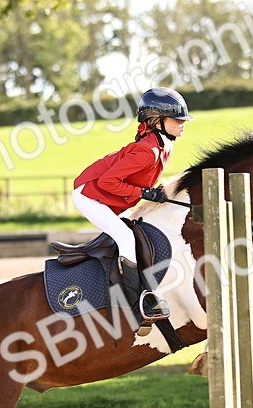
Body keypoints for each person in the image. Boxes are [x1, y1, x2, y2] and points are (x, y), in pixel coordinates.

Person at [71, 86, 193, 332]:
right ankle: (136, 305)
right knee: (126, 236)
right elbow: (107, 182)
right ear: (157, 121)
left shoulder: (163, 144)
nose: (183, 123)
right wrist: (144, 194)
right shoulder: (147, 150)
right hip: (89, 195)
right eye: (177, 118)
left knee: (136, 232)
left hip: (106, 196)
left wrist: (152, 191)